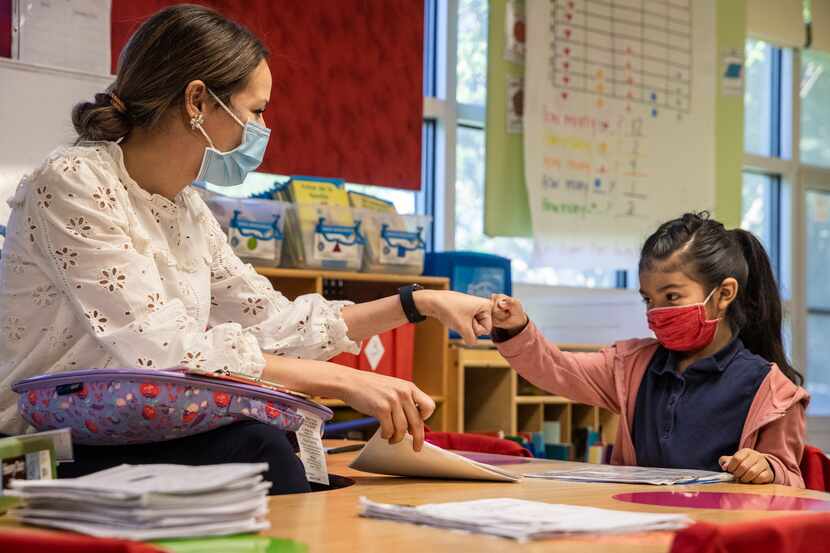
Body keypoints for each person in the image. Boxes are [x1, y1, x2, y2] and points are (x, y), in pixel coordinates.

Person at [0, 4, 492, 494]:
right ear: (197, 101)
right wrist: (341, 381)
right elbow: (157, 349)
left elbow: (274, 325)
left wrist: (418, 303)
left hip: (126, 429)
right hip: (43, 447)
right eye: (255, 110)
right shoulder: (73, 182)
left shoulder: (187, 209)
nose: (261, 130)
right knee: (261, 448)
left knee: (272, 446)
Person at [491, 212, 809, 487]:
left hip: (713, 534)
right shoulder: (630, 366)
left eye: (671, 298)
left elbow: (791, 481)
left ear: (724, 293)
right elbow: (555, 369)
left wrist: (767, 468)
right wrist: (516, 328)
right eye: (648, 300)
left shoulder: (773, 391)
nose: (656, 312)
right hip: (638, 526)